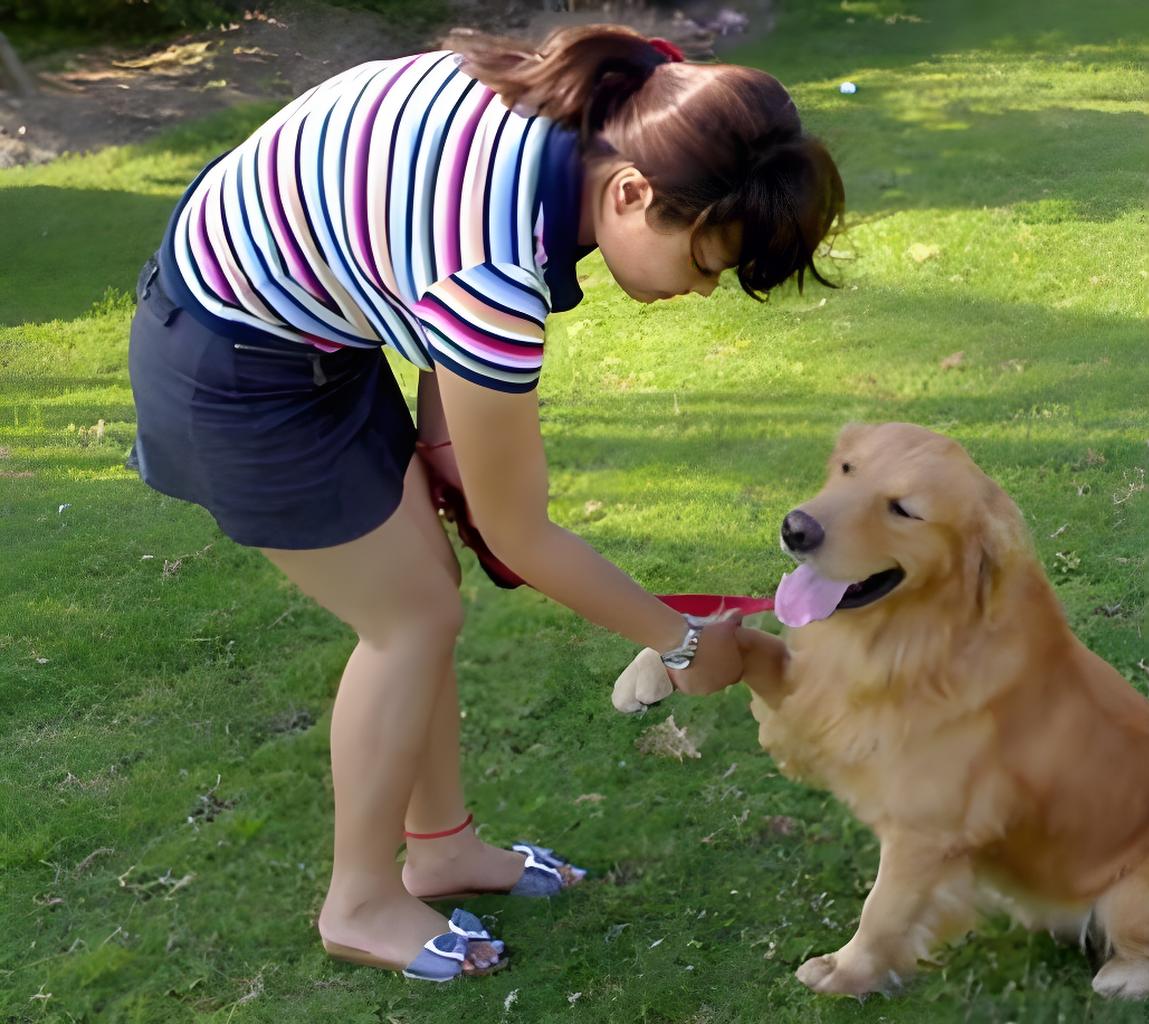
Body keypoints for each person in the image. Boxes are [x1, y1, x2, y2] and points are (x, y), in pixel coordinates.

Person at [126, 25, 843, 982]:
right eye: (705, 264)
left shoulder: (612, 109)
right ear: (632, 194)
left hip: (305, 327)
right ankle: (360, 900)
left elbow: (415, 254)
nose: (701, 291)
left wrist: (440, 434)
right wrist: (682, 640)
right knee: (410, 617)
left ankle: (442, 849)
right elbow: (519, 531)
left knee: (422, 598)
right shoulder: (490, 275)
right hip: (233, 365)